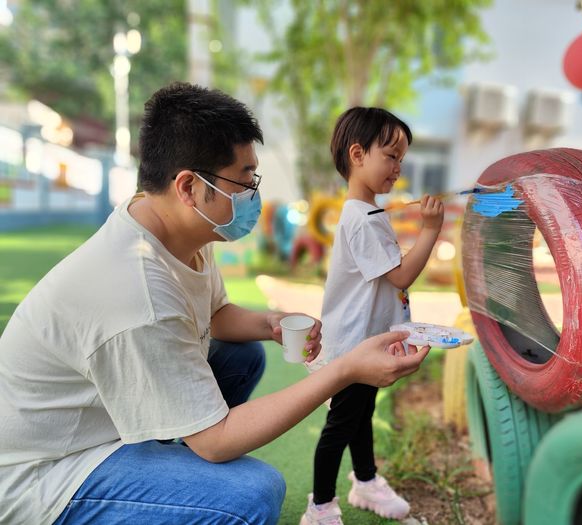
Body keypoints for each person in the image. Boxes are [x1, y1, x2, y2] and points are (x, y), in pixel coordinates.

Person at [0, 83, 431, 525]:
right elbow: (217, 440)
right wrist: (345, 369)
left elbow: (217, 315)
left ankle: (168, 464)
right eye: (244, 180)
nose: (252, 193)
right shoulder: (138, 290)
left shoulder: (174, 231)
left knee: (241, 356)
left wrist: (269, 322)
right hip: (47, 472)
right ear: (189, 186)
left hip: (103, 419)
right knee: (250, 495)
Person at [301, 107, 444, 525]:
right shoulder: (361, 220)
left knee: (362, 414)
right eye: (391, 155)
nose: (398, 167)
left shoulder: (370, 213)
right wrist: (431, 231)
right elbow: (401, 274)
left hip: (367, 340)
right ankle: (320, 507)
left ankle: (365, 482)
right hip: (353, 346)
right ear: (358, 154)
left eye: (402, 158)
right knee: (341, 424)